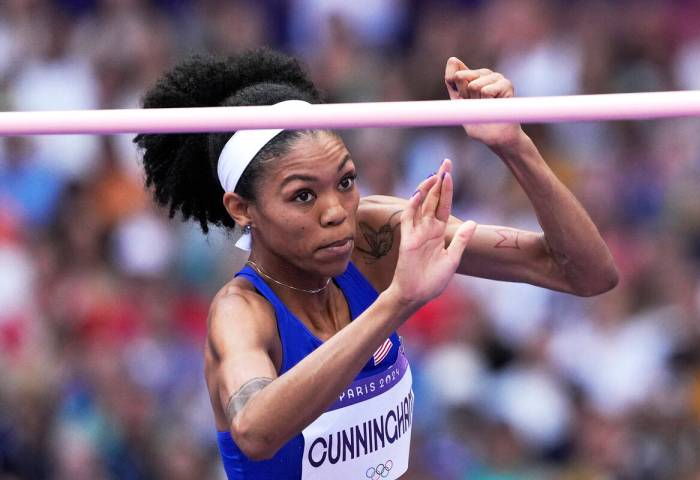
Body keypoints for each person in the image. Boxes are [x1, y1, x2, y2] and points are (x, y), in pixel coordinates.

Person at [134, 48, 618, 479]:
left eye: (345, 182)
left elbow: (586, 273)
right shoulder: (242, 312)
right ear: (242, 208)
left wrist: (514, 147)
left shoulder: (373, 237)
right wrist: (397, 301)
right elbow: (256, 430)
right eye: (303, 195)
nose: (334, 212)